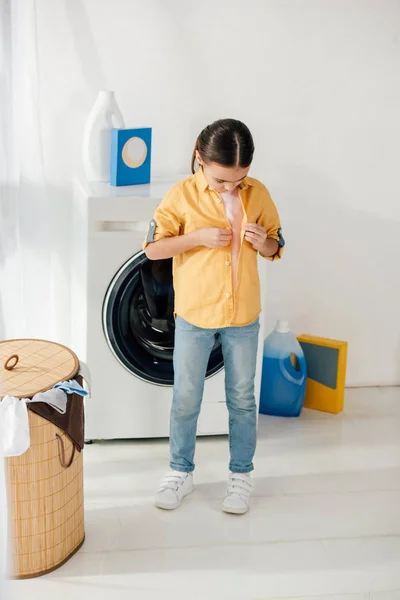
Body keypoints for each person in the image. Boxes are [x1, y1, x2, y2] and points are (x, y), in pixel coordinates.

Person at [143, 118, 284, 514]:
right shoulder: (181, 195)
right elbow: (153, 249)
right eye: (222, 180)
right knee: (186, 396)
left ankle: (240, 477)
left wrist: (265, 242)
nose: (230, 187)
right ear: (199, 159)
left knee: (241, 398)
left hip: (242, 316)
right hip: (194, 313)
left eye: (238, 180)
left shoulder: (258, 195)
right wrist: (197, 238)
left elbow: (276, 243)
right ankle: (180, 471)